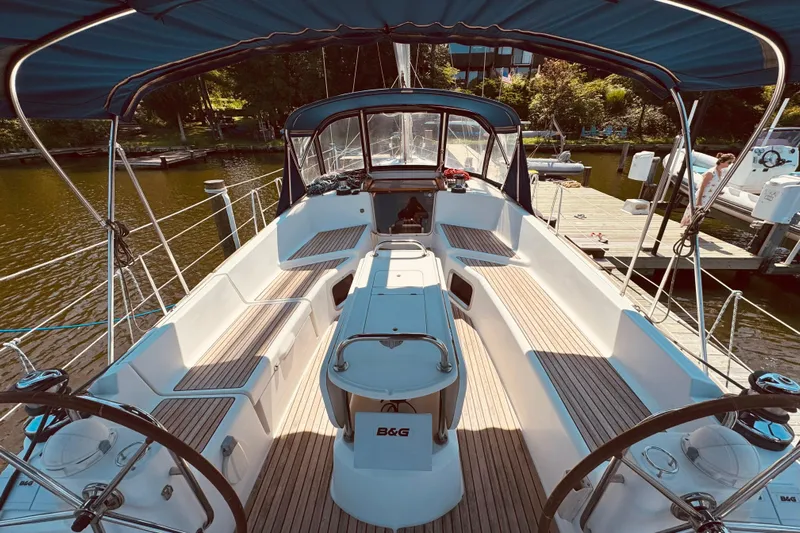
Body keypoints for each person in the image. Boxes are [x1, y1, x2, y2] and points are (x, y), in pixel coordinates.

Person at [680, 152, 736, 227]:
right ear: (722, 162)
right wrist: (699, 201)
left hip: (708, 198)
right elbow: (702, 186)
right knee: (694, 215)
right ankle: (689, 231)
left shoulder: (720, 172)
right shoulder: (711, 172)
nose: (729, 164)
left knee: (700, 216)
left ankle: (693, 231)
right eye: (729, 162)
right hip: (702, 197)